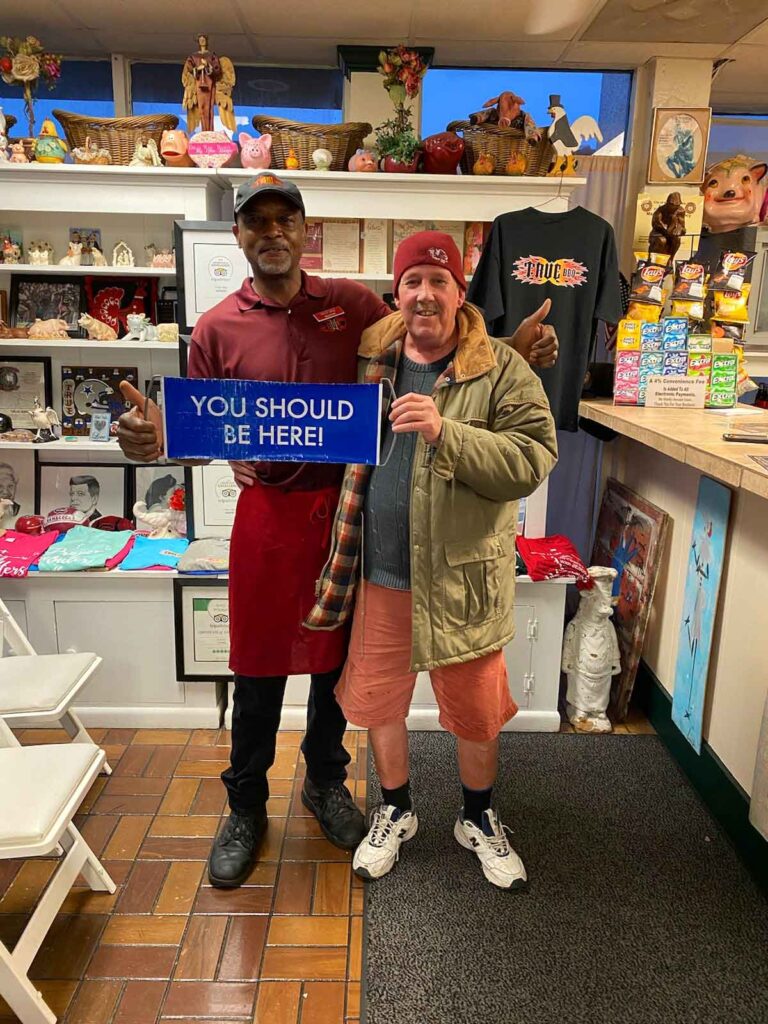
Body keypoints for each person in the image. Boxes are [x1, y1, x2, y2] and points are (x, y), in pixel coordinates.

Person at [116, 175, 560, 890]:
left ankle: (326, 786)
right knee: (256, 673)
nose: (270, 233)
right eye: (254, 222)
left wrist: (510, 350)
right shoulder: (215, 327)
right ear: (238, 237)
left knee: (335, 674)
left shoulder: (354, 308)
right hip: (264, 520)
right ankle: (245, 807)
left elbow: (437, 339)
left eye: (283, 219)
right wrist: (149, 437)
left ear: (302, 229)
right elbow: (192, 431)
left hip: (342, 518)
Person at [305, 231, 558, 889]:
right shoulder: (369, 359)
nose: (424, 294)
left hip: (463, 580)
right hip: (380, 574)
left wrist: (450, 433)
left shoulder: (500, 367)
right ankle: (396, 810)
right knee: (381, 701)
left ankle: (477, 816)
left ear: (459, 291)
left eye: (438, 281)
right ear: (398, 290)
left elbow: (533, 459)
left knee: (474, 710)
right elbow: (311, 423)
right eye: (413, 280)